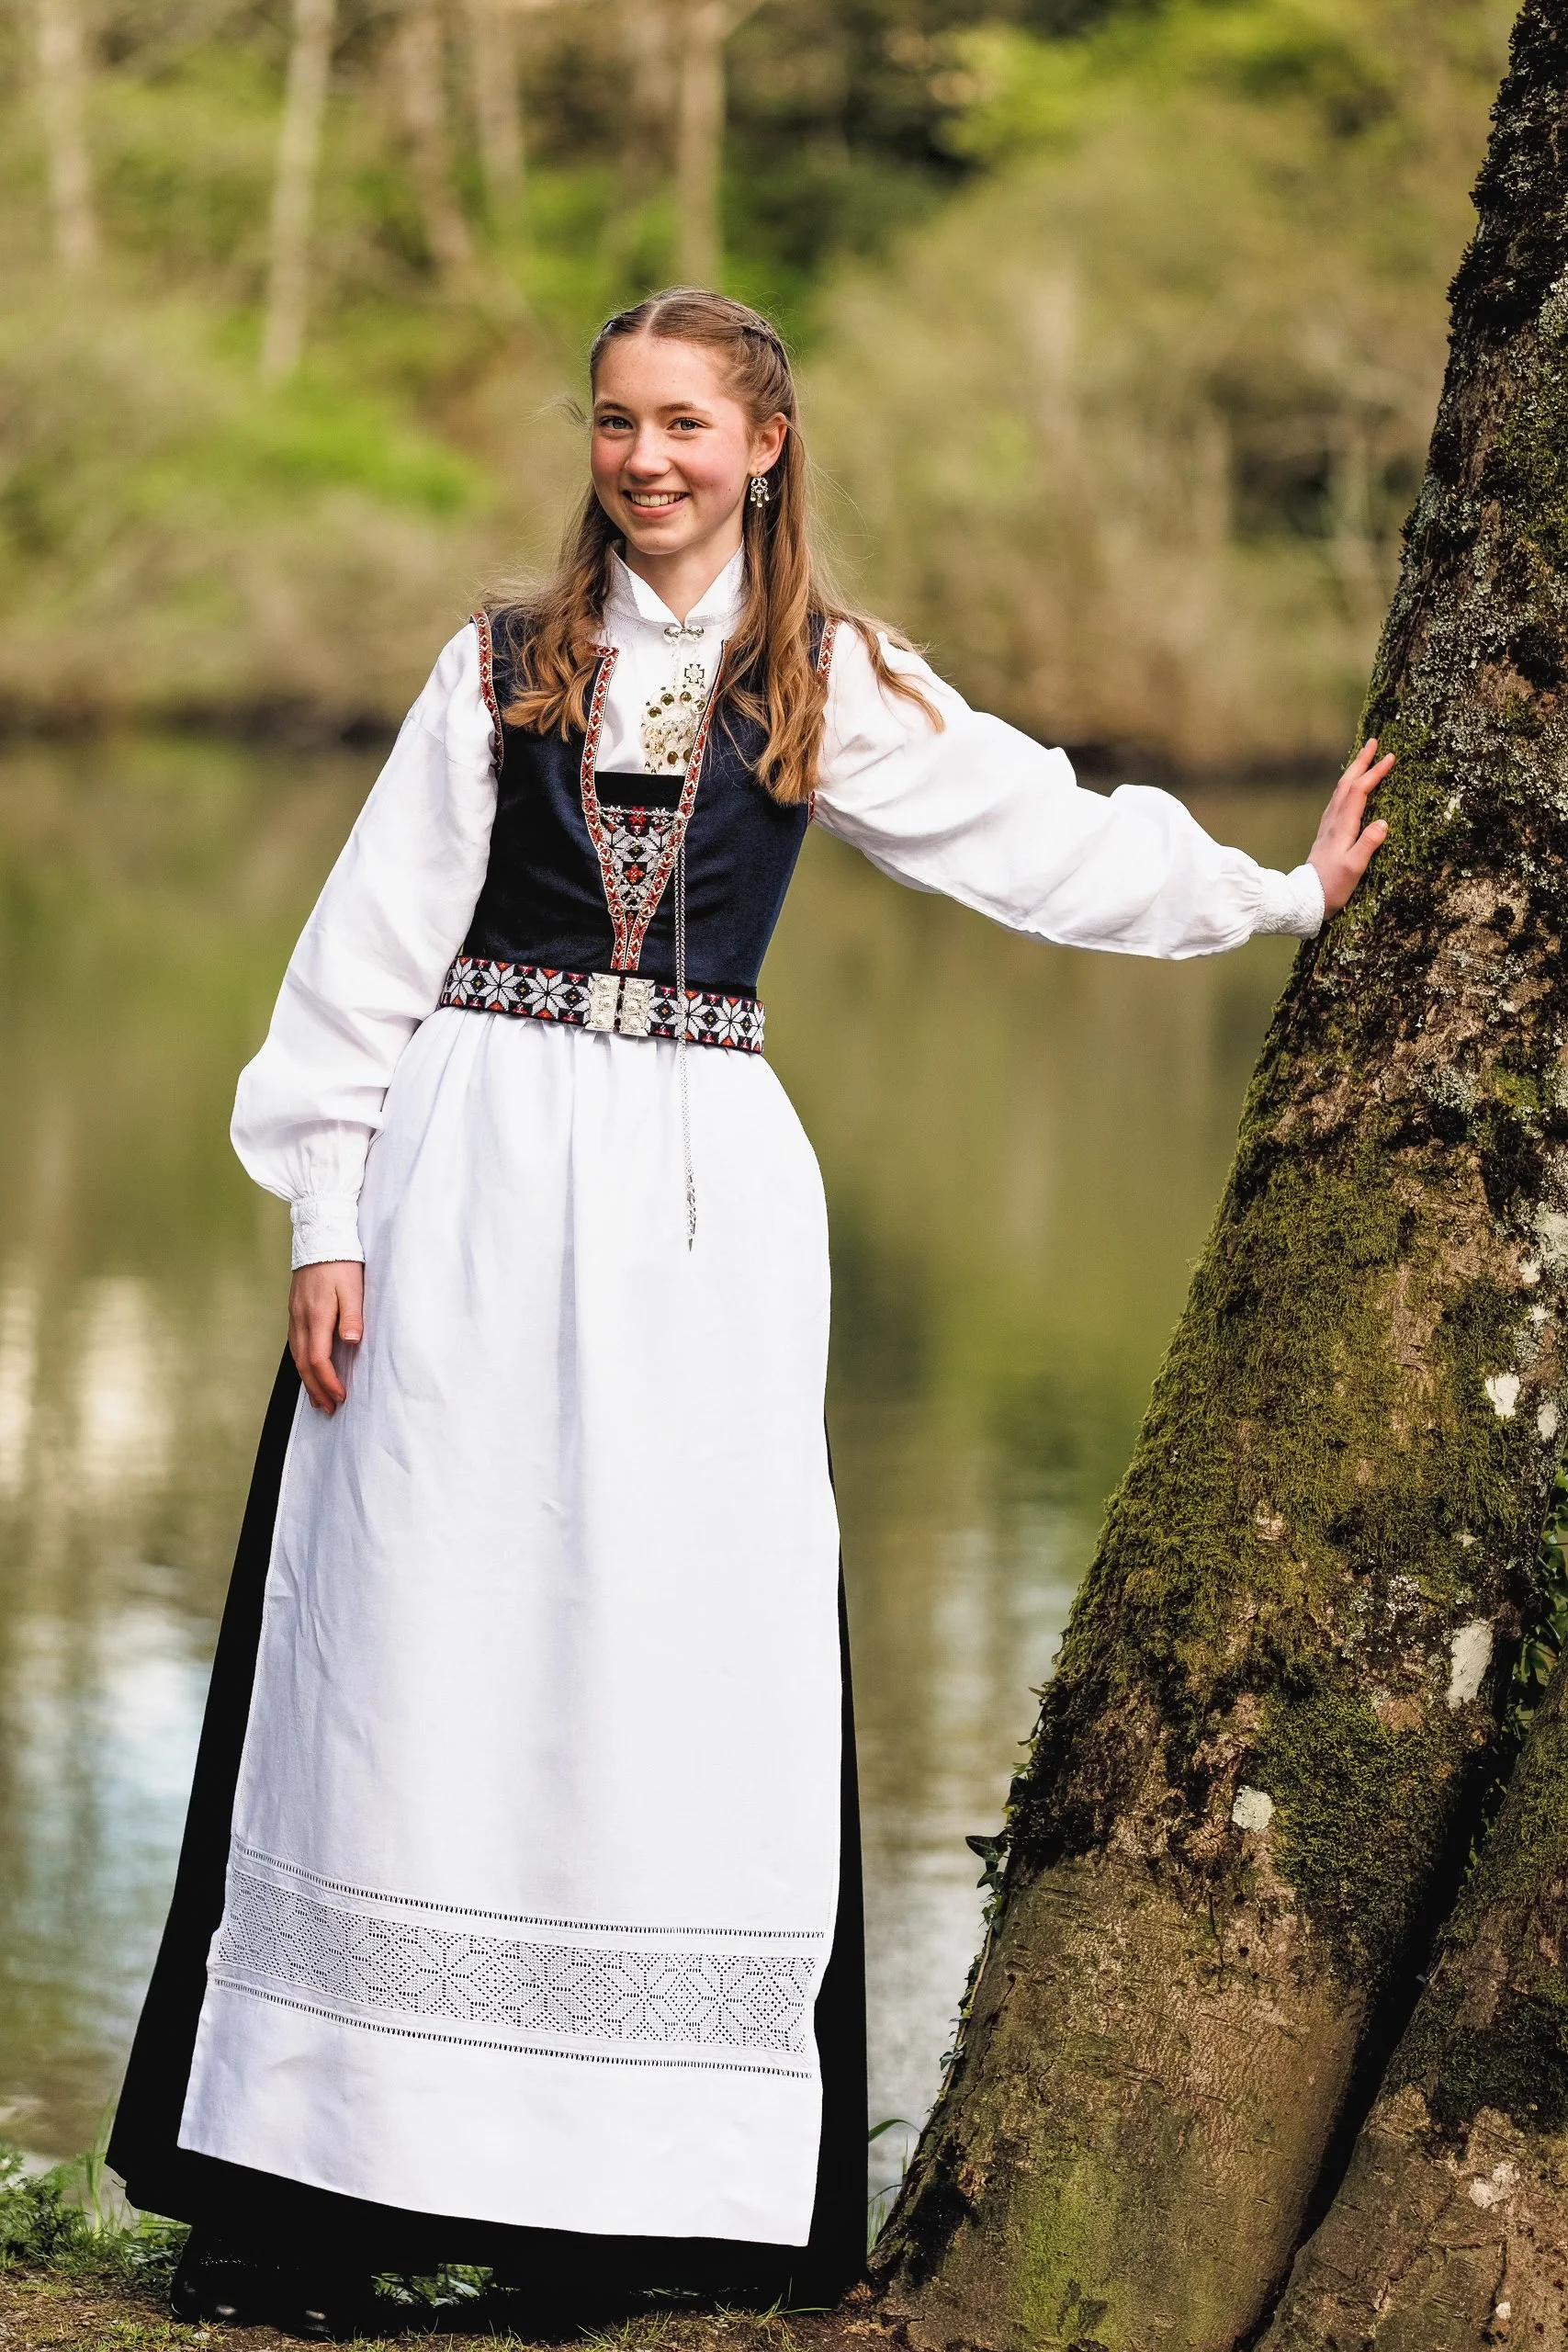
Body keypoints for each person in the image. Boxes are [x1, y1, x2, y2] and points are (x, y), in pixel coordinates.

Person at [108, 287, 1389, 2339]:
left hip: (696, 1210)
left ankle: (616, 2205)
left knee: (665, 1645)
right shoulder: (503, 667)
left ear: (766, 439)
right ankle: (311, 2180)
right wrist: (323, 1217)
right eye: (617, 421)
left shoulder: (827, 678)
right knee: (414, 1639)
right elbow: (360, 955)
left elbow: (1035, 839)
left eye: (686, 423)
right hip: (467, 1171)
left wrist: (1275, 892)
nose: (646, 458)